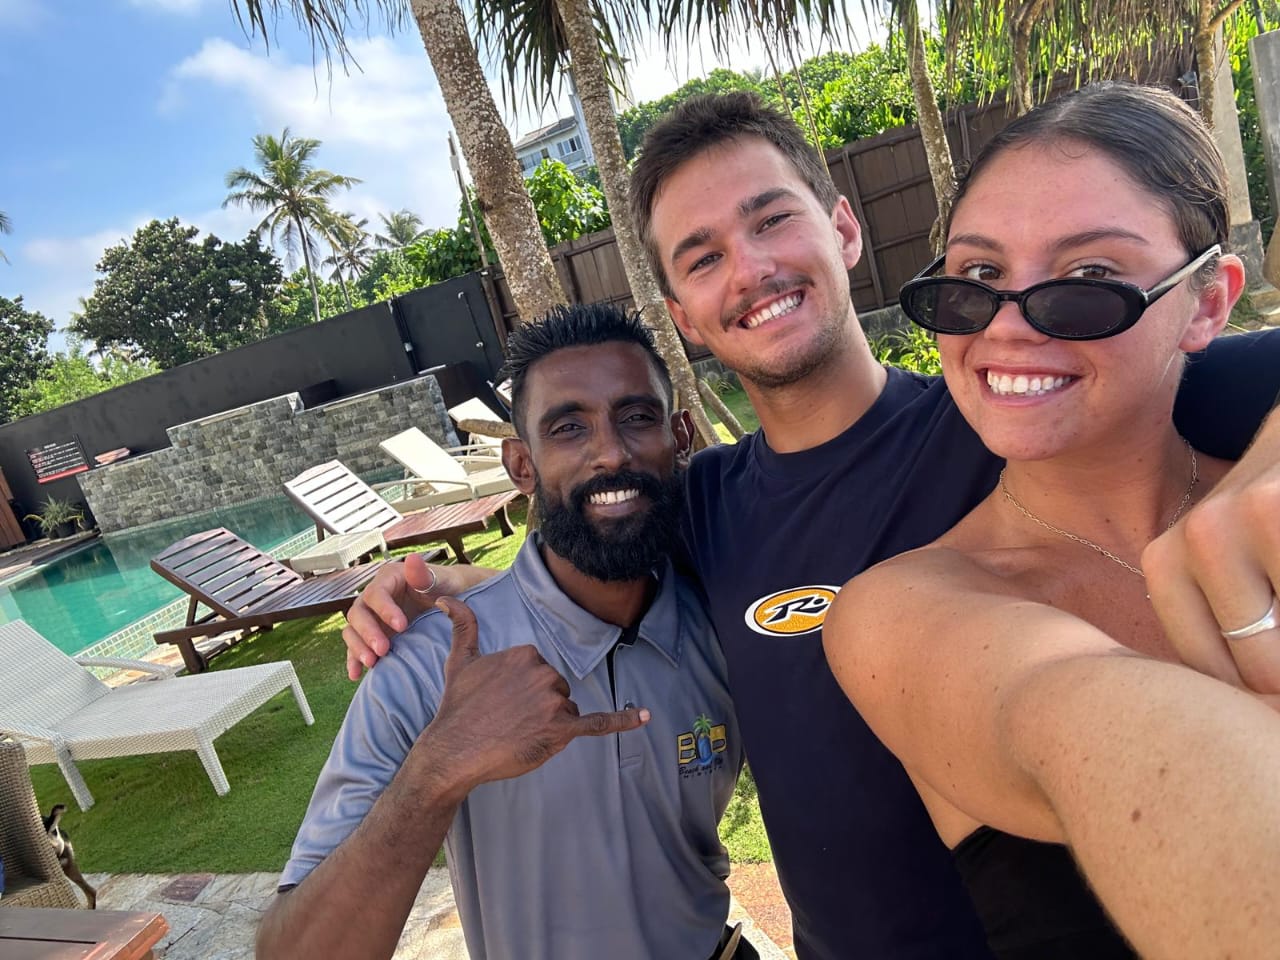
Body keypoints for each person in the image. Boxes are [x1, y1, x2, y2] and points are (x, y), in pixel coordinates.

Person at [342, 92, 1280, 958]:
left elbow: (1199, 374)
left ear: (844, 228)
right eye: (703, 258)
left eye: (771, 220)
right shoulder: (701, 505)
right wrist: (458, 584)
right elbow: (593, 553)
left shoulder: (1014, 409)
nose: (750, 270)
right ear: (684, 318)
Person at [822, 82, 1280, 959]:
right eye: (979, 276)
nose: (1007, 326)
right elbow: (1083, 720)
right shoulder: (898, 614)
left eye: (1090, 277)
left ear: (1209, 303)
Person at [257, 303, 748, 960]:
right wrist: (441, 765)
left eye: (637, 416)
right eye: (568, 428)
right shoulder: (432, 663)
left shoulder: (723, 621)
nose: (610, 452)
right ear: (522, 465)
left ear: (679, 435)